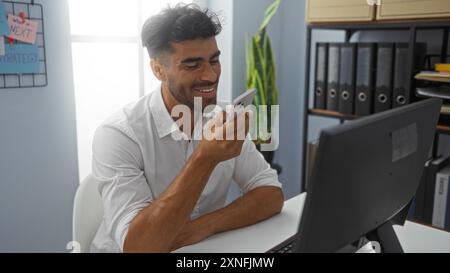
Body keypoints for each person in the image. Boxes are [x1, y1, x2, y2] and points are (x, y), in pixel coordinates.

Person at [90, 3, 284, 253]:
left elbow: (271, 194)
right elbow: (138, 248)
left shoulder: (224, 118)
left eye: (214, 60)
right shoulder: (118, 135)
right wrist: (205, 157)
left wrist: (200, 227)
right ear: (158, 69)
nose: (211, 75)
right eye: (192, 65)